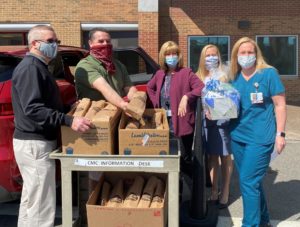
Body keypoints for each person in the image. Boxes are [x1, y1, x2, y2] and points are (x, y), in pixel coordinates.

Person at [11, 25, 92, 227]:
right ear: (34, 44)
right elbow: (34, 109)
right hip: (34, 144)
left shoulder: (38, 67)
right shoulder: (31, 68)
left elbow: (42, 104)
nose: (55, 45)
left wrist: (67, 108)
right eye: (50, 41)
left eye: (56, 40)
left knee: (32, 199)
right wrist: (69, 120)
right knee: (42, 203)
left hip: (33, 143)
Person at [229, 37, 286, 227]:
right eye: (242, 52)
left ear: (257, 54)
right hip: (237, 136)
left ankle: (250, 224)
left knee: (247, 181)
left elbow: (280, 105)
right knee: (253, 182)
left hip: (260, 138)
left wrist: (280, 134)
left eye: (250, 52)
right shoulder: (233, 77)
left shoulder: (268, 74)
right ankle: (264, 219)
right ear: (236, 55)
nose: (246, 56)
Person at [74, 28, 137, 190]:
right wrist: (124, 105)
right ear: (90, 43)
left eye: (108, 41)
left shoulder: (118, 65)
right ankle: (95, 205)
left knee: (119, 169)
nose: (105, 44)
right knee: (97, 172)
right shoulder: (85, 65)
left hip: (117, 120)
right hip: (96, 126)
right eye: (100, 41)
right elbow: (104, 88)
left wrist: (137, 100)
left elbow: (128, 87)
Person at [147, 41, 204, 175]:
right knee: (167, 156)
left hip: (181, 122)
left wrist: (187, 97)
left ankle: (189, 191)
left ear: (179, 56)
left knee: (183, 158)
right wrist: (156, 102)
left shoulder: (186, 72)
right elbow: (150, 87)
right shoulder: (160, 74)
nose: (171, 56)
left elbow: (201, 87)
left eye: (174, 53)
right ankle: (173, 189)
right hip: (164, 123)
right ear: (163, 56)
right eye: (168, 54)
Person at [196, 44, 233, 209]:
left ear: (218, 56)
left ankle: (224, 192)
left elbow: (231, 98)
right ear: (203, 58)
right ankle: (213, 191)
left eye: (214, 54)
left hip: (222, 120)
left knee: (225, 156)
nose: (211, 58)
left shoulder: (224, 76)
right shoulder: (198, 76)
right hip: (206, 121)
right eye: (208, 55)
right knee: (212, 156)